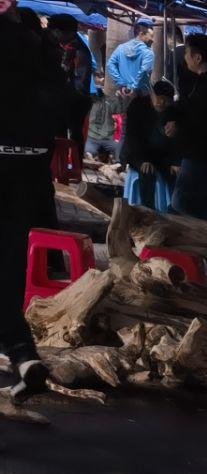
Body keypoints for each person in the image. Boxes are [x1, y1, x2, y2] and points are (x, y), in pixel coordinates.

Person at [2, 0, 67, 402]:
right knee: (8, 269)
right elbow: (68, 102)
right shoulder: (41, 48)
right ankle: (24, 357)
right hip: (29, 167)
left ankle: (22, 354)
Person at [168, 34, 207, 225]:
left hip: (201, 157)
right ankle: (206, 254)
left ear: (198, 58)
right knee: (204, 212)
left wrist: (178, 127)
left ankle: (188, 253)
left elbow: (199, 120)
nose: (185, 57)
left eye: (187, 53)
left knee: (180, 208)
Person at [119, 79, 176, 210]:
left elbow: (175, 143)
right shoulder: (137, 106)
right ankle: (147, 212)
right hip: (136, 153)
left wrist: (175, 161)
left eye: (166, 100)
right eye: (159, 98)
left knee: (176, 174)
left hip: (159, 155)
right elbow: (132, 138)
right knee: (147, 172)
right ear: (152, 95)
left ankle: (171, 213)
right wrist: (142, 161)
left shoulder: (172, 112)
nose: (162, 103)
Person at [45, 15, 95, 144]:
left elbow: (80, 83)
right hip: (67, 99)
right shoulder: (63, 46)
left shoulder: (76, 50)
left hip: (73, 101)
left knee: (73, 135)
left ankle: (71, 161)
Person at [106, 18, 154, 113]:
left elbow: (110, 64)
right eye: (151, 37)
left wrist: (122, 84)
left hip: (124, 94)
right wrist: (134, 88)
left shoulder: (120, 48)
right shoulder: (148, 53)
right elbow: (144, 71)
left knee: (124, 122)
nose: (152, 41)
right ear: (141, 34)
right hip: (141, 97)